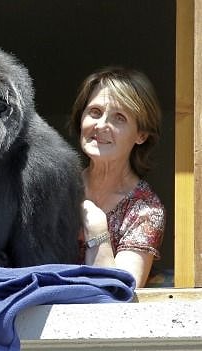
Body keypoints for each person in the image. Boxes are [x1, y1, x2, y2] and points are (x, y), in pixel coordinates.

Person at [69, 67, 165, 288]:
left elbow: (117, 295)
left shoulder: (145, 210)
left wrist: (96, 226)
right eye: (94, 112)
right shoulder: (55, 185)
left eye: (119, 118)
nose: (101, 125)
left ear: (141, 135)